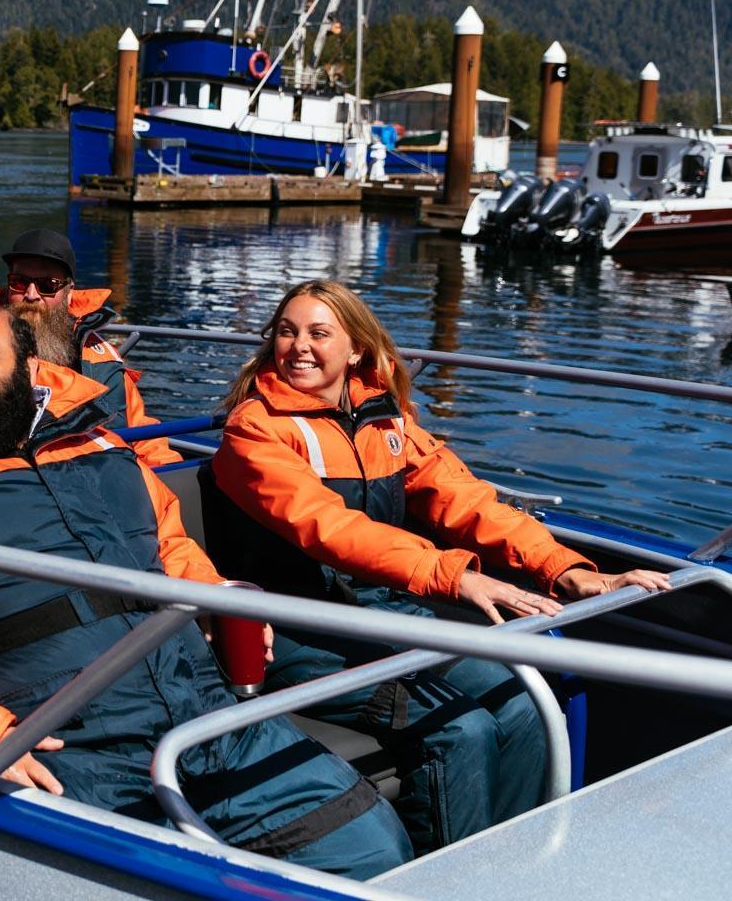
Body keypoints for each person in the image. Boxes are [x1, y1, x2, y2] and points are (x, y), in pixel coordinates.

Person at [0, 303, 413, 879]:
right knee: (130, 884)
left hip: (199, 705)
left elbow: (172, 546)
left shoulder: (101, 443)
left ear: (30, 369)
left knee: (370, 846)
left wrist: (223, 599)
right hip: (59, 736)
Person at [207, 278, 668, 852]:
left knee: (523, 705)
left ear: (355, 350)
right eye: (286, 331)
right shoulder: (255, 430)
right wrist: (454, 576)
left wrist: (564, 568)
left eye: (319, 333)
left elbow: (463, 499)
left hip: (375, 611)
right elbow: (329, 527)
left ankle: (512, 869)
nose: (299, 346)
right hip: (294, 629)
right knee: (461, 730)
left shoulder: (385, 420)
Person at [0, 227, 178, 467]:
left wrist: (168, 474)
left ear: (68, 292)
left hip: (99, 473)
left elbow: (140, 432)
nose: (31, 295)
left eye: (48, 285)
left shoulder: (99, 360)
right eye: (19, 282)